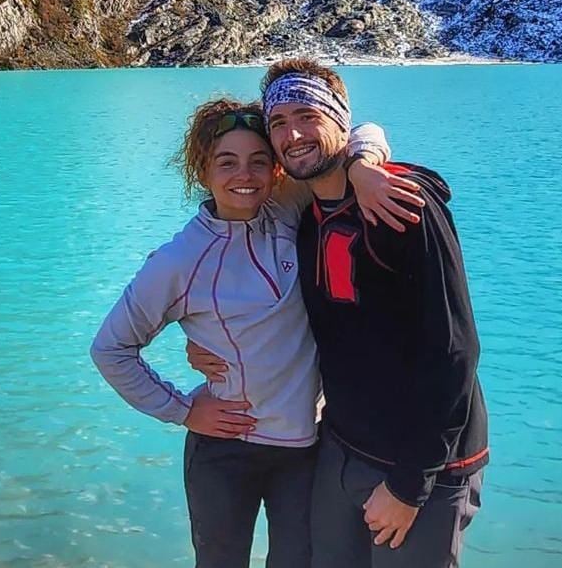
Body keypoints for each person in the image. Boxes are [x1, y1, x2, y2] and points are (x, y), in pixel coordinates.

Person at [89, 97, 424, 568]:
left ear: (276, 172)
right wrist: (182, 409)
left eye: (258, 162)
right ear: (203, 171)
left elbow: (362, 131)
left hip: (307, 451)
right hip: (226, 452)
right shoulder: (178, 260)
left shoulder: (286, 211)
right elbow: (111, 349)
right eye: (227, 163)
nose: (243, 176)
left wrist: (365, 169)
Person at [193, 60, 488, 567]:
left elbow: (454, 351)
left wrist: (409, 485)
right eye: (279, 122)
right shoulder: (301, 212)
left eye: (307, 114)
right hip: (342, 450)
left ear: (339, 122)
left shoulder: (399, 203)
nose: (293, 134)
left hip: (424, 465)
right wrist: (215, 344)